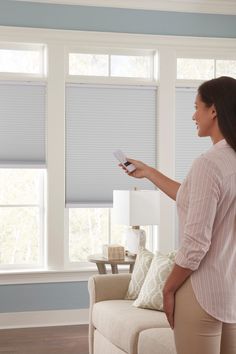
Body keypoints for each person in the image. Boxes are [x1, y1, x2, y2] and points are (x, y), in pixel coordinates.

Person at [119, 76, 236, 354]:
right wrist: (149, 172)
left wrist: (169, 287)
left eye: (197, 107)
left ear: (214, 110)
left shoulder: (209, 163)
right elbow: (194, 198)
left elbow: (196, 244)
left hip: (200, 292)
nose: (193, 115)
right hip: (231, 291)